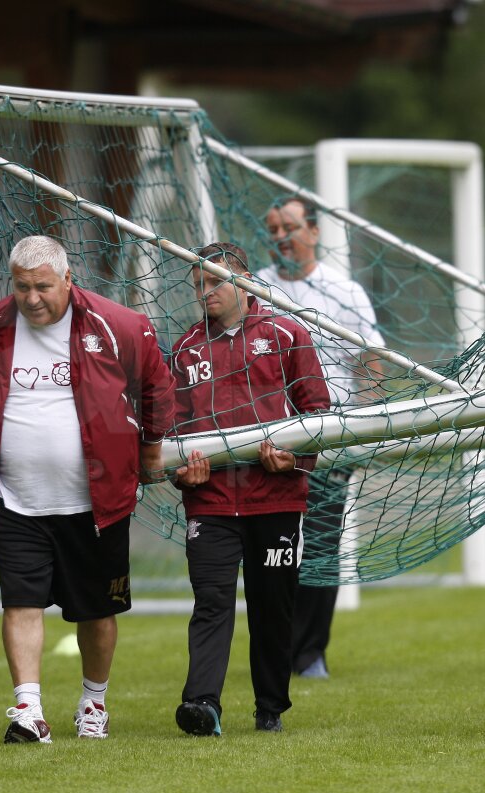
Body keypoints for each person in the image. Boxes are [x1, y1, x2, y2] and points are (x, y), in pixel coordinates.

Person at [0, 234, 174, 742]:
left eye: (43, 287)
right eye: (21, 287)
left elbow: (157, 388)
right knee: (20, 602)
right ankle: (28, 710)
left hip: (95, 504)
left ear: (68, 280)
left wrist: (148, 451)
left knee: (97, 610)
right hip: (15, 499)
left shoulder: (119, 325)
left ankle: (93, 702)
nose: (31, 298)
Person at [169, 242, 330, 736]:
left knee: (271, 604)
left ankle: (270, 709)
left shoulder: (287, 334)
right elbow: (173, 428)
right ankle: (202, 704)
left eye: (213, 282)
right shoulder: (186, 347)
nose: (204, 293)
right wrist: (182, 471)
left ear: (242, 281)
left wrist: (295, 458)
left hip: (276, 497)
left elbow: (320, 415)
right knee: (211, 601)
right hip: (211, 501)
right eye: (197, 284)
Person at [256, 195, 385, 679]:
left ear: (312, 230)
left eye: (288, 225)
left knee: (324, 545)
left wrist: (364, 424)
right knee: (274, 546)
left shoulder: (344, 291)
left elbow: (370, 360)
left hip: (331, 439)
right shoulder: (255, 290)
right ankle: (274, 650)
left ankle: (310, 654)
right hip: (270, 439)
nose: (280, 236)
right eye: (272, 228)